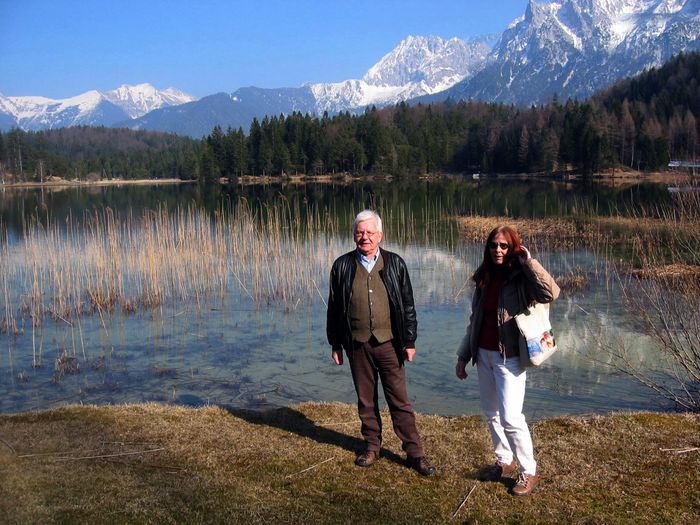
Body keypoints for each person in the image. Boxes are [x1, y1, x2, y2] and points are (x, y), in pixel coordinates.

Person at [327, 209, 436, 476]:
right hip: (357, 344)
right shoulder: (341, 266)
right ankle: (372, 447)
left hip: (390, 344)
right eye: (360, 232)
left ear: (380, 235)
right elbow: (333, 308)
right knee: (366, 400)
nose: (364, 237)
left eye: (369, 232)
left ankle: (415, 453)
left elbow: (408, 306)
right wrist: (335, 344)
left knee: (399, 401)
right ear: (354, 235)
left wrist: (409, 340)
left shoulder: (395, 263)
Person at [455, 225, 559, 496]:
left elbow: (551, 293)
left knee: (511, 417)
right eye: (493, 245)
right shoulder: (484, 277)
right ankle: (504, 461)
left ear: (513, 248)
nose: (497, 250)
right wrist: (463, 356)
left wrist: (529, 261)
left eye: (503, 246)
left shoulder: (521, 276)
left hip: (509, 358)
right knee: (492, 414)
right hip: (484, 355)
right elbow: (474, 320)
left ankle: (529, 471)